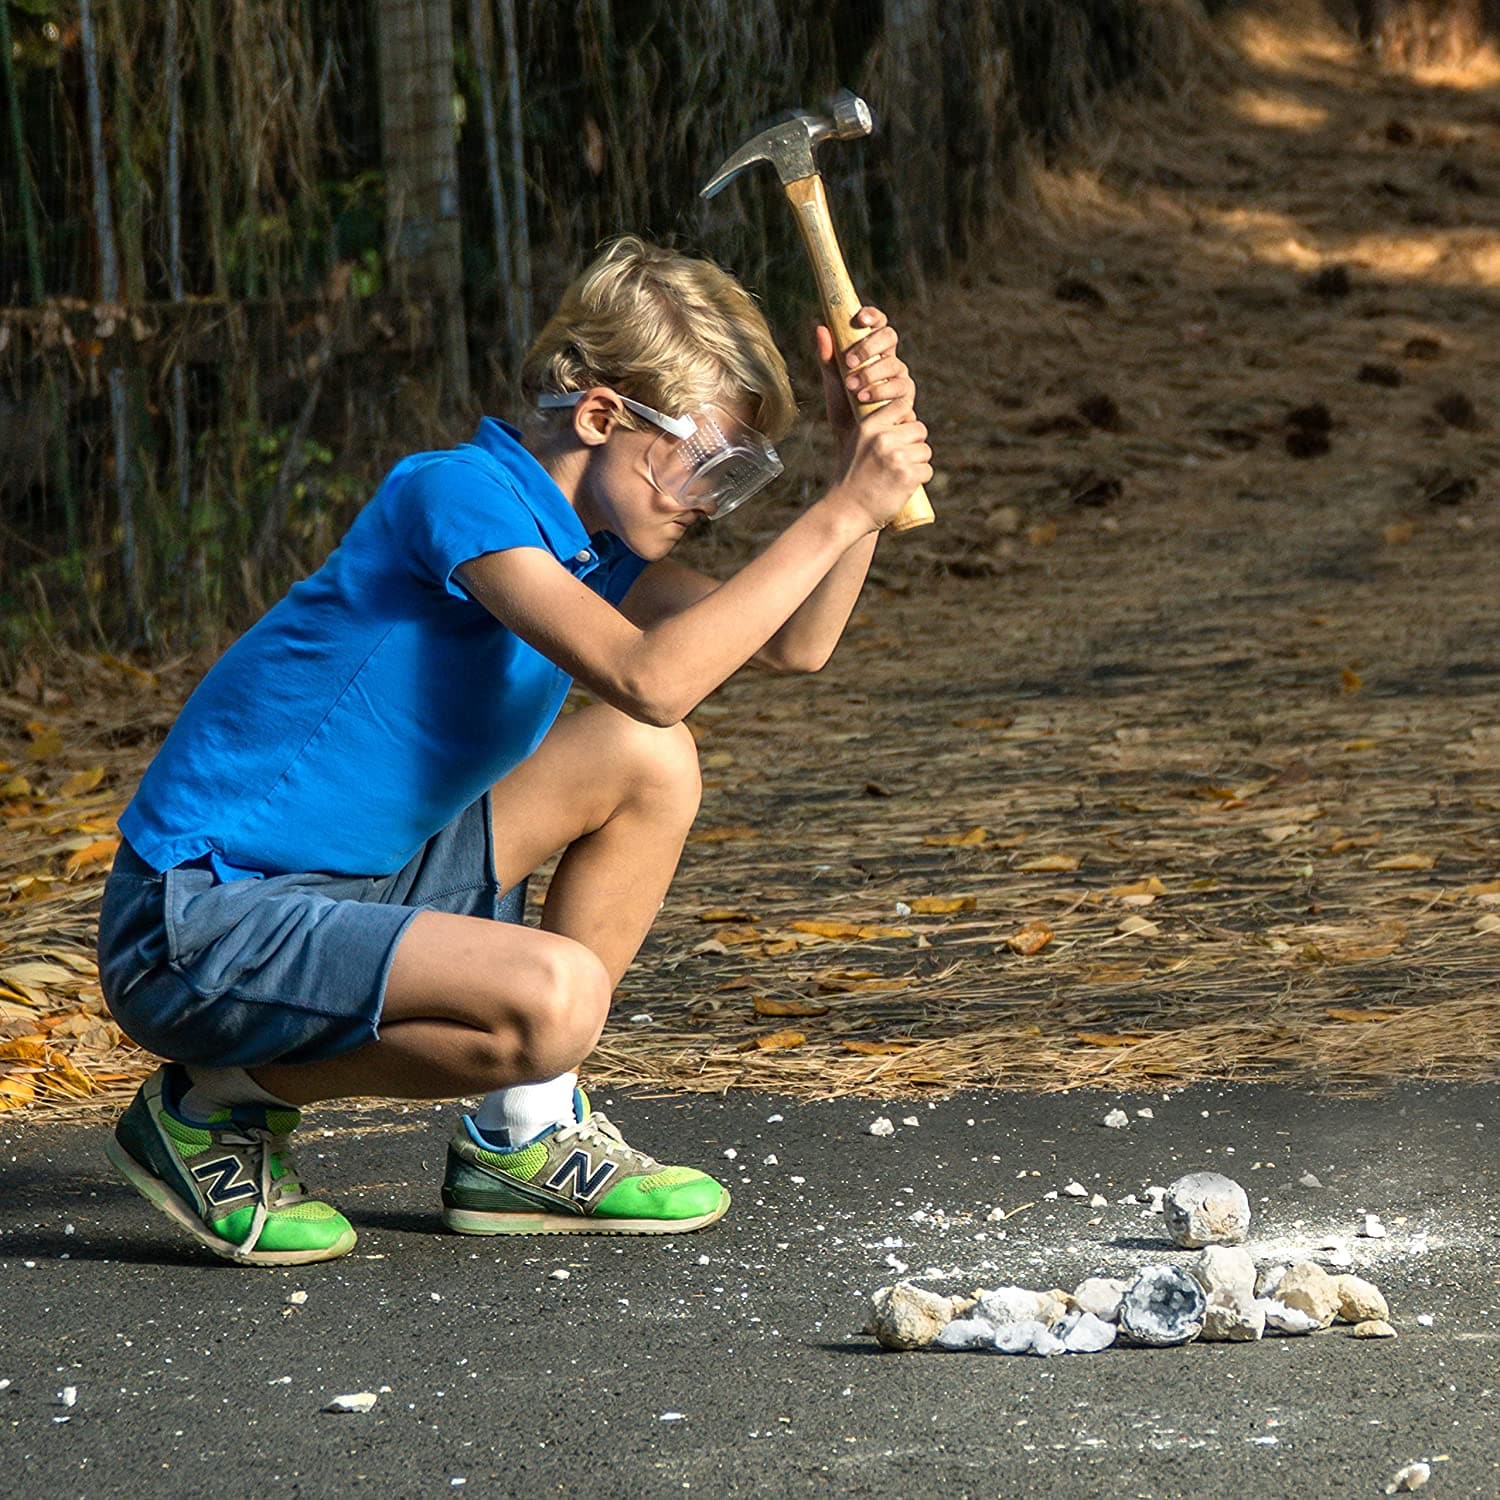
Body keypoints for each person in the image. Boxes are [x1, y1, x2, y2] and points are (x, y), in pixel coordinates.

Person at [96, 236, 932, 1266]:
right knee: (556, 998)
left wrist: (859, 486)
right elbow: (652, 674)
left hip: (359, 888)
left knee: (647, 758)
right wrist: (843, 506)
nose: (713, 502)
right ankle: (210, 1104)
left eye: (740, 476)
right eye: (706, 464)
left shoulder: (601, 552)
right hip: (197, 920)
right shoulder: (453, 495)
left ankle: (522, 1136)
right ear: (600, 416)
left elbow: (796, 644)